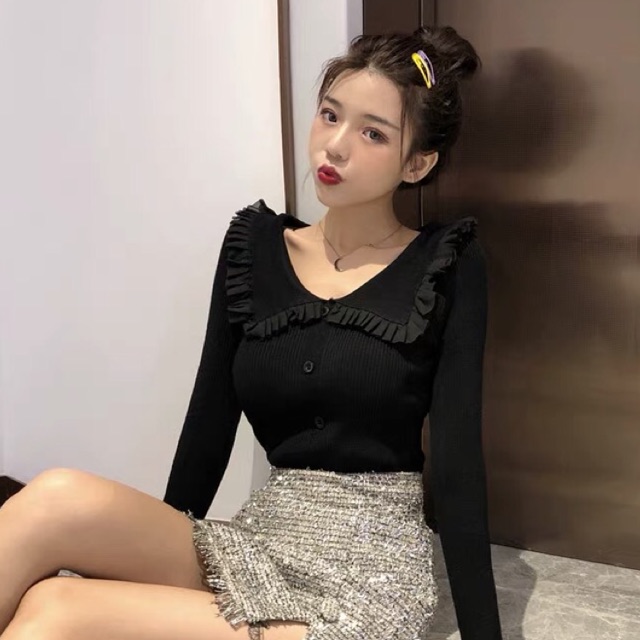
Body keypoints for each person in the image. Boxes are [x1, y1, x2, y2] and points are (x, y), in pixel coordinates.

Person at [0, 25, 502, 640]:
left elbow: (456, 466)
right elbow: (209, 423)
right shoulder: (253, 247)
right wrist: (156, 552)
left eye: (372, 133)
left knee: (59, 610)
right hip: (258, 539)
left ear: (417, 162)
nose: (334, 145)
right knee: (55, 499)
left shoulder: (446, 263)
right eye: (330, 115)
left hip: (364, 578)